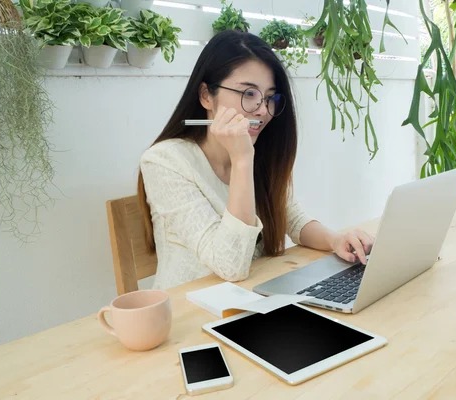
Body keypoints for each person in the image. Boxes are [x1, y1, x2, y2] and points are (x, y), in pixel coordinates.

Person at [138, 30, 374, 290]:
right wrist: (241, 160)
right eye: (248, 93)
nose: (262, 110)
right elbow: (231, 265)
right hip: (189, 313)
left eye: (269, 97)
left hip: (252, 298)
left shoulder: (255, 151)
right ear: (206, 95)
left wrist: (335, 240)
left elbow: (292, 219)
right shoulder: (164, 161)